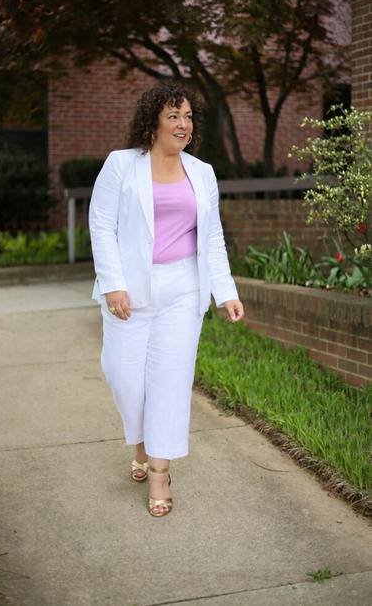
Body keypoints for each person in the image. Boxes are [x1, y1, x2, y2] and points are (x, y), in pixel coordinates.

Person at [89, 81, 244, 517]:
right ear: (153, 121)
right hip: (130, 291)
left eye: (189, 116)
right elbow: (101, 226)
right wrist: (112, 283)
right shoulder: (122, 166)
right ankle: (142, 443)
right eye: (174, 115)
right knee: (123, 376)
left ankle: (159, 471)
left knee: (169, 382)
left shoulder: (203, 172)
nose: (183, 124)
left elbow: (211, 237)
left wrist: (225, 292)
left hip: (183, 288)